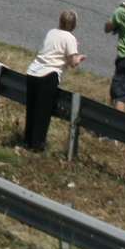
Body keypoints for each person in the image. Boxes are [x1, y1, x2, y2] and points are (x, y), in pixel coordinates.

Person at [24, 11, 85, 151]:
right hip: (48, 74)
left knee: (32, 109)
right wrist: (79, 57)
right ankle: (37, 145)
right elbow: (72, 62)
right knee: (43, 112)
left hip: (33, 71)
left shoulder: (51, 32)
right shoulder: (70, 38)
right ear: (74, 24)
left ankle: (27, 140)